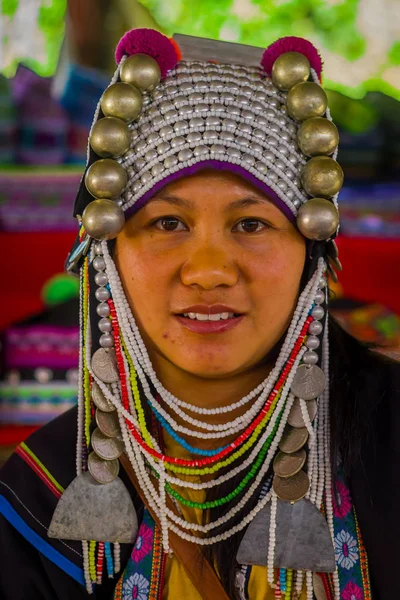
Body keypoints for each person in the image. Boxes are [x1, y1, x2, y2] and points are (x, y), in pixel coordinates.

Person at [1, 28, 399, 600]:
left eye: (251, 224)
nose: (209, 269)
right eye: (167, 224)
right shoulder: (37, 495)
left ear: (311, 255)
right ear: (108, 257)